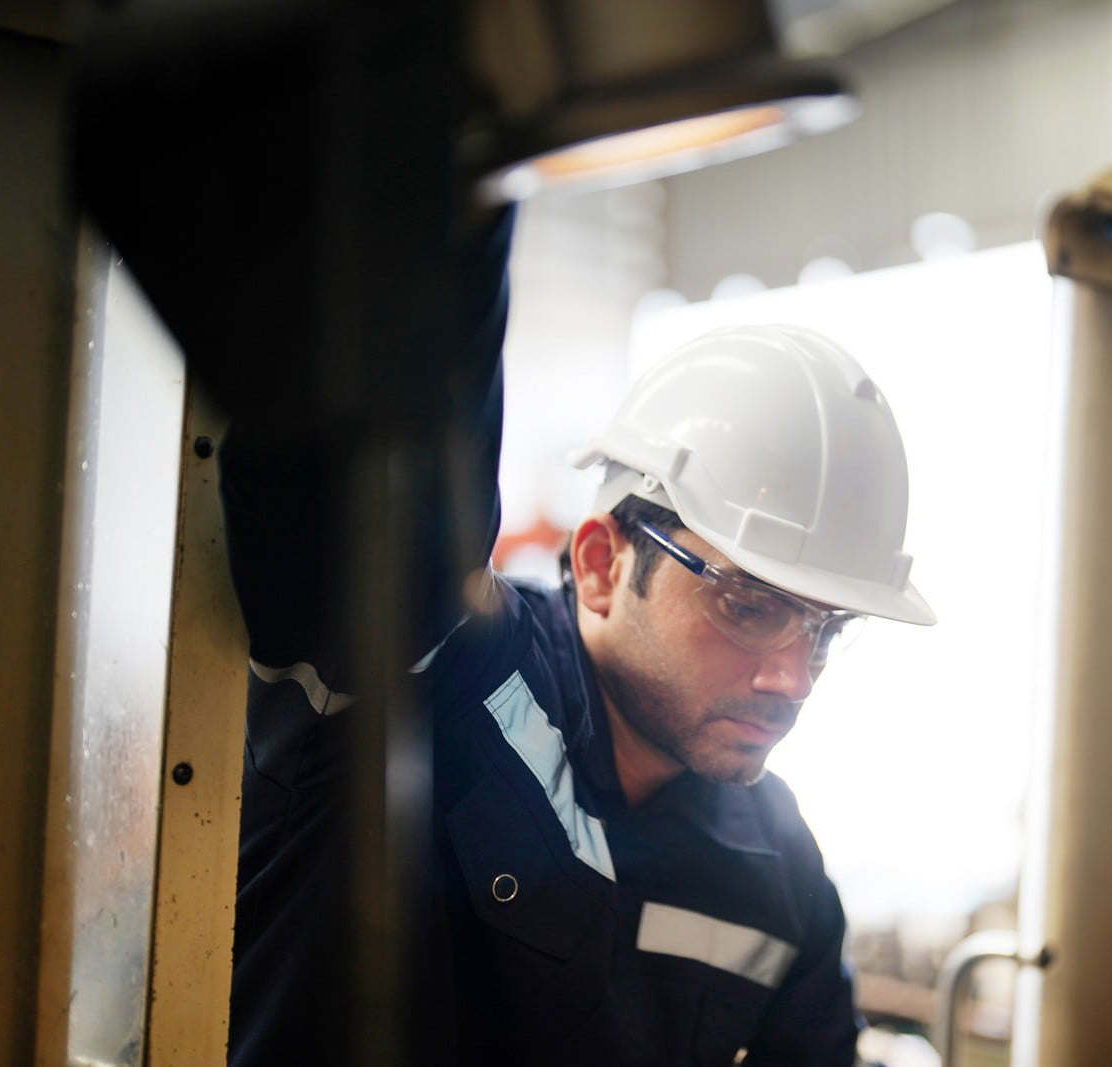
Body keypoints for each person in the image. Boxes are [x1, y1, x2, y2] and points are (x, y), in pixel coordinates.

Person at [219, 209, 935, 1066]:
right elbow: (376, 455)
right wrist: (465, 164)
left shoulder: (777, 869)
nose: (793, 677)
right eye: (748, 605)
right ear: (600, 564)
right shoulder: (442, 675)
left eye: (824, 629)